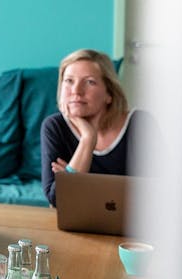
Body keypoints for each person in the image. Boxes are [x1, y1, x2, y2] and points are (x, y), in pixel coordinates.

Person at [40, 49, 142, 206]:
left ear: (109, 94)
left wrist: (73, 178)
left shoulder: (139, 124)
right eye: (69, 81)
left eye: (89, 82)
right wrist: (88, 138)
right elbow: (58, 199)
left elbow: (157, 193)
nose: (76, 91)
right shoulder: (54, 127)